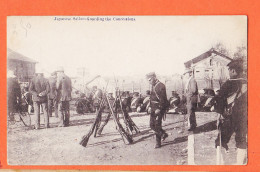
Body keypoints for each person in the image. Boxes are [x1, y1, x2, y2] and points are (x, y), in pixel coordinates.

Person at [215, 59, 247, 165]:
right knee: (241, 140)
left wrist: (219, 116)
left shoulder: (228, 84)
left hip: (230, 117)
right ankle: (240, 165)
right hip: (244, 118)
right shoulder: (247, 83)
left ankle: (221, 164)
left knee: (220, 140)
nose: (229, 72)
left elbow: (220, 100)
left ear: (233, 71)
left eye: (229, 70)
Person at [146, 72, 169, 148]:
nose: (149, 82)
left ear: (154, 78)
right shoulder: (153, 85)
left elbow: (163, 99)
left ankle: (158, 143)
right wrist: (149, 106)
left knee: (157, 125)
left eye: (150, 80)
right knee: (151, 125)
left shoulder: (161, 86)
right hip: (153, 108)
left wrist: (159, 108)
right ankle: (163, 134)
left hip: (159, 108)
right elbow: (152, 98)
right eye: (148, 80)